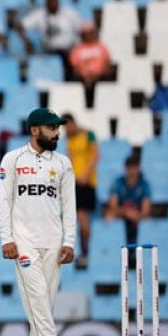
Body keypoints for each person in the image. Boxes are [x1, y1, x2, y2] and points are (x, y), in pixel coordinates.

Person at [0, 107, 76, 336]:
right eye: (51, 128)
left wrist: (69, 242)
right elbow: (4, 201)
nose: (57, 133)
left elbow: (69, 205)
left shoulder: (63, 163)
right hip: (23, 242)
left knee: (44, 304)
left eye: (58, 128)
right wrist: (7, 239)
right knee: (38, 299)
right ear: (34, 130)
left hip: (53, 242)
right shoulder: (13, 159)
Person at [63, 114, 99, 269]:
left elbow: (95, 155)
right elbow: (70, 158)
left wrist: (86, 173)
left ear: (73, 123)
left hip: (87, 182)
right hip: (75, 182)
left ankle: (86, 250)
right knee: (78, 216)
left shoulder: (88, 135)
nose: (67, 129)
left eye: (68, 126)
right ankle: (82, 250)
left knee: (82, 215)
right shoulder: (69, 139)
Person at [16, 0, 82, 56]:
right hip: (49, 51)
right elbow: (19, 26)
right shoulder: (40, 14)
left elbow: (81, 29)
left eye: (54, 2)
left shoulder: (70, 13)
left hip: (69, 50)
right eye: (50, 2)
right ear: (46, 4)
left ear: (58, 2)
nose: (52, 4)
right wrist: (26, 41)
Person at [106, 155, 151, 246]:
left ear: (138, 168)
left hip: (137, 217)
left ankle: (141, 251)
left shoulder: (144, 184)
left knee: (148, 222)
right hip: (122, 216)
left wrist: (136, 215)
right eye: (130, 167)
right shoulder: (118, 183)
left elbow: (146, 211)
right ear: (125, 168)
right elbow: (112, 206)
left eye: (134, 167)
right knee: (109, 217)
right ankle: (112, 249)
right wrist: (126, 213)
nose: (132, 171)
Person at [69, 22, 112, 87]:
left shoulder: (102, 47)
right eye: (86, 33)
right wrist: (85, 76)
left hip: (100, 78)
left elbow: (107, 65)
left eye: (90, 33)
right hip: (82, 79)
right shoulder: (77, 49)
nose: (88, 35)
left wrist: (96, 76)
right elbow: (75, 68)